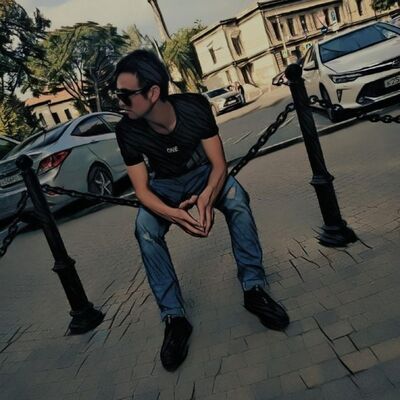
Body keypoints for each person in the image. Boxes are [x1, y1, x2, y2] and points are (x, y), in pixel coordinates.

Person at [113, 50, 289, 372]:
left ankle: (253, 288)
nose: (119, 102)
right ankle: (174, 317)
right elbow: (142, 191)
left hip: (202, 173)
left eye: (126, 95)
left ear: (153, 92)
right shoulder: (126, 130)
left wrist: (207, 197)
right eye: (117, 94)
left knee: (236, 198)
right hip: (163, 186)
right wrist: (175, 215)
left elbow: (219, 165)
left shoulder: (194, 107)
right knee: (145, 229)